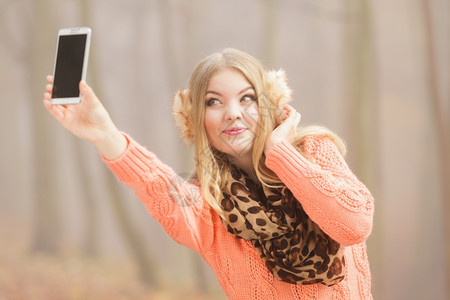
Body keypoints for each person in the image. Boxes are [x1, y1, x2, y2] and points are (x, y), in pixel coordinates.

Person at [43, 48, 374, 299]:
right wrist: (107, 136)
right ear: (197, 118)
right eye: (214, 102)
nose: (232, 113)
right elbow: (159, 188)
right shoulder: (210, 205)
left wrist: (280, 153)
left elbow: (354, 225)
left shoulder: (313, 151)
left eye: (247, 98)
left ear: (270, 104)